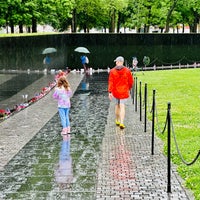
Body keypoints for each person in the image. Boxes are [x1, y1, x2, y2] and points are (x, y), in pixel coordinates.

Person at [108, 56, 134, 129]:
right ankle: (122, 122)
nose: (116, 62)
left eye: (116, 61)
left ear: (120, 62)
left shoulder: (112, 71)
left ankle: (117, 120)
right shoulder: (127, 71)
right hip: (124, 91)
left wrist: (110, 92)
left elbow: (111, 82)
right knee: (122, 106)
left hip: (116, 91)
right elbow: (131, 81)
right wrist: (128, 88)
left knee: (117, 105)